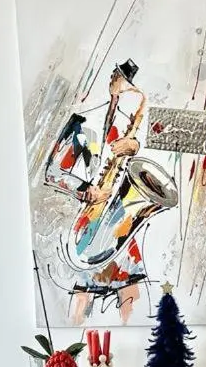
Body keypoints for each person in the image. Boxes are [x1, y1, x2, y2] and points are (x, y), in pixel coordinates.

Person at [44, 60, 149, 324]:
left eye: (127, 83)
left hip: (119, 222)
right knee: (83, 296)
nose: (123, 87)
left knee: (131, 293)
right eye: (120, 79)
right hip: (88, 223)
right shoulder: (82, 121)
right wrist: (86, 190)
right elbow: (52, 172)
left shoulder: (127, 127)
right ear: (112, 79)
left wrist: (135, 147)